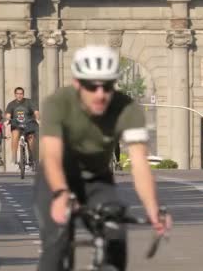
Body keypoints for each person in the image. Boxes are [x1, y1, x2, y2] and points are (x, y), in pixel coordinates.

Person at [35, 45, 172, 271]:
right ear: (77, 84)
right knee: (56, 244)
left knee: (116, 234)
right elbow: (51, 155)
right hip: (56, 178)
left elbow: (139, 163)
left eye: (107, 86)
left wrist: (153, 208)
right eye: (92, 86)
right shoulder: (57, 103)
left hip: (97, 179)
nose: (100, 94)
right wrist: (60, 193)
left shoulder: (126, 107)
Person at [5, 87, 39, 168]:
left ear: (23, 94)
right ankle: (14, 157)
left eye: (21, 94)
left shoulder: (29, 102)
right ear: (15, 94)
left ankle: (33, 157)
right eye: (17, 94)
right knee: (15, 136)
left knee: (31, 139)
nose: (19, 95)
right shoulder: (11, 104)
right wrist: (7, 120)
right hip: (16, 124)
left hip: (28, 124)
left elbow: (36, 112)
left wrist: (37, 118)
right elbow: (8, 115)